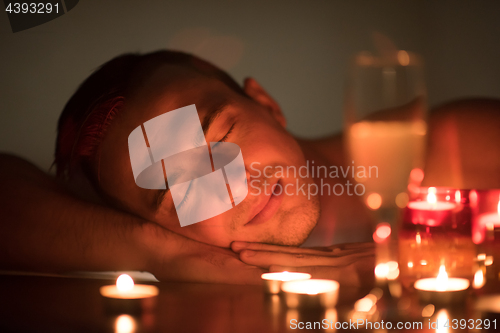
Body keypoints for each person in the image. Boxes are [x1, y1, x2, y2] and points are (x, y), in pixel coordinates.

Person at [1, 50, 499, 285]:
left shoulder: (452, 147)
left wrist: (428, 263)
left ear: (265, 102)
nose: (226, 183)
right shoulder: (187, 256)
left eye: (219, 137)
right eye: (178, 194)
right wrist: (163, 255)